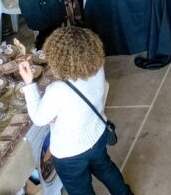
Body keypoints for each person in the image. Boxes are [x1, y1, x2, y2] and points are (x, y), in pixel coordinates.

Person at [20, 27, 134, 195]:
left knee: (81, 190)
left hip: (69, 154)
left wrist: (29, 84)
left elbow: (38, 119)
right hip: (97, 134)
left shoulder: (57, 90)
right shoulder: (97, 67)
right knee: (106, 169)